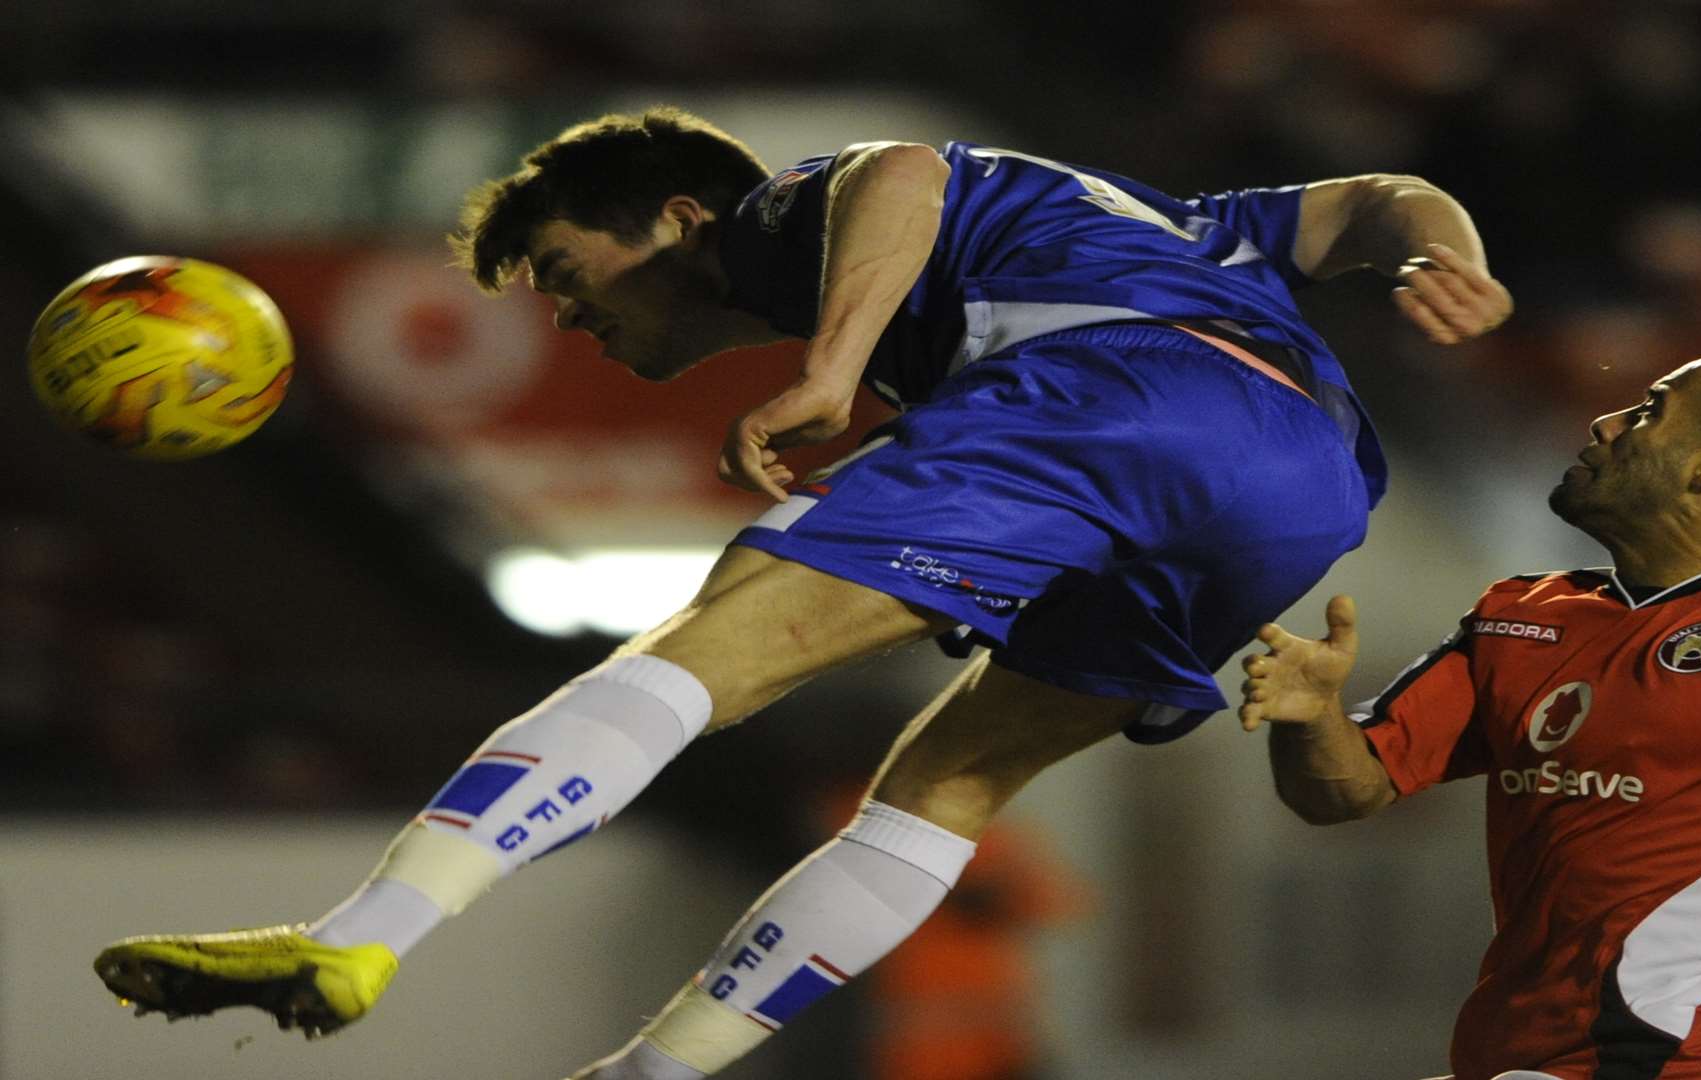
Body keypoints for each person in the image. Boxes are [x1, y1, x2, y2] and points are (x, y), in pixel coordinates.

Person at [92, 107, 1513, 1079]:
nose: (569, 314)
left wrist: (835, 371)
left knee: (719, 640)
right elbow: (1373, 202)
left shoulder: (778, 225)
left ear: (683, 216)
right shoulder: (1174, 223)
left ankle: (353, 945)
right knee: (946, 784)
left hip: (1123, 397)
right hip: (1309, 482)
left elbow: (900, 170)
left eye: (573, 272)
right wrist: (1450, 250)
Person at [1238, 353, 1701, 1078]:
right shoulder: (1522, 615)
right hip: (1506, 1057)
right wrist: (1311, 715)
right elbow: (1345, 789)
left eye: (1651, 410)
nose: (1606, 422)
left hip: (1674, 1062)